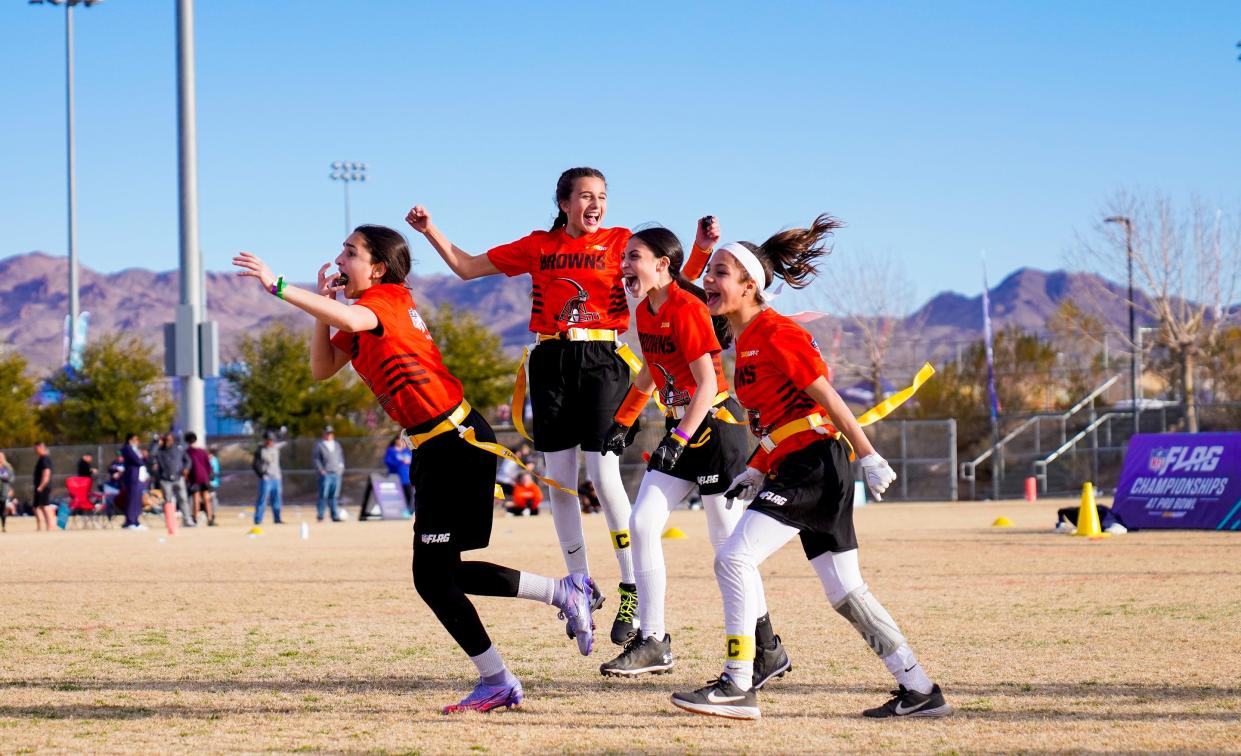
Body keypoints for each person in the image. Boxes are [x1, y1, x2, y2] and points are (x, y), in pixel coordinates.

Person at [233, 223, 599, 713]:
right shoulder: (362, 312)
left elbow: (354, 319)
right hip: (436, 449)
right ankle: (561, 592)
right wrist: (322, 313)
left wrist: (279, 287)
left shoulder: (383, 302)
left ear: (377, 267)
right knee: (441, 574)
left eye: (350, 252)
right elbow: (322, 368)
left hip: (457, 443)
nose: (340, 259)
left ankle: (501, 678)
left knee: (432, 578)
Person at [406, 169, 716, 645]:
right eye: (587, 196)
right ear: (565, 202)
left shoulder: (620, 243)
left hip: (602, 360)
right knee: (559, 480)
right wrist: (430, 231)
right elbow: (467, 267)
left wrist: (701, 249)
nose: (596, 204)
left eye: (603, 197)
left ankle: (630, 585)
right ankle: (580, 586)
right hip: (549, 361)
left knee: (604, 474)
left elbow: (671, 278)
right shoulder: (538, 245)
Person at [670, 216, 950, 720]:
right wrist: (756, 467)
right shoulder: (748, 339)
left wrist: (869, 454)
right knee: (845, 591)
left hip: (814, 467)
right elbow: (780, 420)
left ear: (751, 286)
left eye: (721, 273)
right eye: (709, 271)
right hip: (798, 464)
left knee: (733, 559)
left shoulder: (776, 332)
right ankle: (920, 688)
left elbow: (827, 400)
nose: (709, 280)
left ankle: (737, 683)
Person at [597, 225, 789, 687]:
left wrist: (678, 438)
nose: (625, 265)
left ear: (663, 265)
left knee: (727, 546)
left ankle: (767, 649)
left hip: (716, 431)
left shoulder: (686, 308)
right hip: (681, 428)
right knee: (641, 524)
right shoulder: (644, 310)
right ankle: (653, 640)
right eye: (624, 257)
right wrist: (623, 421)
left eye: (634, 256)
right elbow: (651, 373)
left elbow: (707, 384)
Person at [153, 432, 194, 527]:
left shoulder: (179, 449)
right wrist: (156, 443)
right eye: (166, 439)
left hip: (178, 478)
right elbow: (151, 456)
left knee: (183, 499)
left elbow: (187, 460)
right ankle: (170, 521)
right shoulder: (159, 450)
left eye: (170, 439)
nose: (168, 441)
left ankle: (187, 520)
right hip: (165, 479)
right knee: (168, 501)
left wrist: (186, 468)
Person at [313, 425, 346, 522]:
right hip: (325, 474)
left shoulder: (337, 445)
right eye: (327, 433)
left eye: (331, 433)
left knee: (334, 495)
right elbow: (316, 460)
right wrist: (321, 470)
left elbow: (341, 457)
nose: (329, 435)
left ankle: (334, 515)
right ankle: (320, 515)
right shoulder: (319, 445)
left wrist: (341, 468)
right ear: (324, 434)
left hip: (336, 473)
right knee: (323, 495)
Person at [252, 431, 285, 525]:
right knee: (262, 499)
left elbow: (285, 441)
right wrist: (262, 475)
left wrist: (282, 431)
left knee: (277, 499)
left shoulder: (276, 448)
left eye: (272, 440)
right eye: (268, 440)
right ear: (265, 440)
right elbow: (255, 464)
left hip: (277, 478)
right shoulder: (260, 450)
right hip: (266, 479)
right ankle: (258, 519)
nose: (270, 442)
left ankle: (277, 518)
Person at [185, 432, 215, 527]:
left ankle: (195, 519)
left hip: (194, 478)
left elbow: (187, 467)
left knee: (196, 499)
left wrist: (187, 479)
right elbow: (209, 466)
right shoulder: (203, 451)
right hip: (204, 477)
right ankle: (210, 519)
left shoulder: (187, 452)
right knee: (207, 498)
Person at [119, 434, 147, 530]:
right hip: (132, 477)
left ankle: (135, 521)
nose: (137, 441)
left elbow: (143, 460)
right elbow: (138, 461)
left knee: (137, 500)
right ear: (130, 440)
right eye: (135, 439)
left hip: (139, 478)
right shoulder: (127, 449)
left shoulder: (136, 450)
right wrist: (142, 458)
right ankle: (130, 521)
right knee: (132, 500)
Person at [383, 434, 413, 512]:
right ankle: (396, 510)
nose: (401, 442)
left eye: (402, 440)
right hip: (395, 477)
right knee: (397, 495)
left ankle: (408, 510)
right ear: (396, 441)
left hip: (407, 478)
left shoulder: (406, 451)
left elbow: (412, 461)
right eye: (399, 440)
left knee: (408, 495)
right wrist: (400, 462)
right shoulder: (391, 450)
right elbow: (388, 461)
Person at [31, 442, 55, 532]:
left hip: (43, 486)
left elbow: (46, 472)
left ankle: (50, 526)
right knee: (37, 506)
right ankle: (40, 526)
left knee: (45, 506)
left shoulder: (45, 459)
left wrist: (41, 486)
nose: (35, 450)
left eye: (36, 448)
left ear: (41, 447)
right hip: (40, 486)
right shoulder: (41, 458)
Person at [0, 451, 14, 532]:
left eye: (1, 456)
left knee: (2, 509)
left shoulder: (7, 467)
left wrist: (10, 489)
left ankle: (3, 526)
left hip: (4, 491)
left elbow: (11, 479)